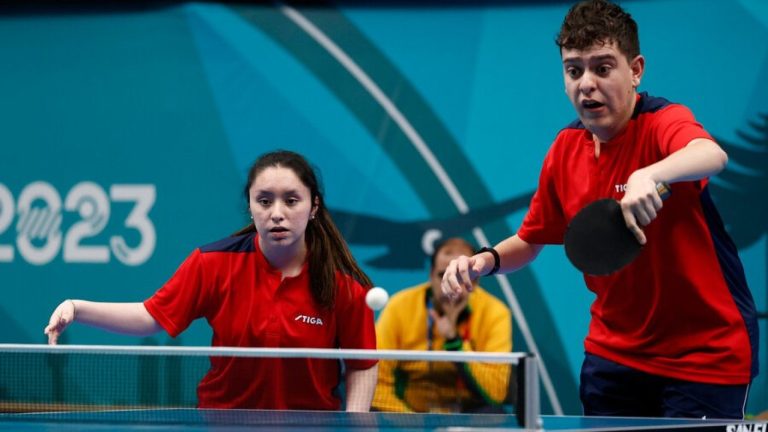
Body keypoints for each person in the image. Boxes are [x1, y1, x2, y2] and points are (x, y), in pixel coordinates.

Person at [442, 0, 758, 419]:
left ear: (636, 70)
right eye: (574, 70)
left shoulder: (663, 122)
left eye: (603, 68)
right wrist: (486, 260)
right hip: (615, 354)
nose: (586, 84)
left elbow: (709, 153)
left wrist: (652, 174)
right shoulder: (564, 149)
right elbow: (532, 238)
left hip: (704, 356)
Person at [44, 150, 378, 412]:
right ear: (250, 205)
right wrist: (77, 308)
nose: (277, 212)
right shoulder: (213, 264)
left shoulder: (344, 286)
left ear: (314, 206)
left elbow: (361, 365)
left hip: (311, 426)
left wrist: (355, 426)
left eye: (291, 200)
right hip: (224, 422)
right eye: (264, 200)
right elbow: (151, 316)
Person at [372, 238, 512, 413]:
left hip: (468, 417)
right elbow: (377, 385)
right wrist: (411, 424)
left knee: (494, 414)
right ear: (430, 275)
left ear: (475, 282)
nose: (450, 286)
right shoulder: (399, 306)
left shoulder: (495, 312)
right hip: (410, 416)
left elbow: (496, 393)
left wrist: (455, 342)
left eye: (461, 276)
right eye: (442, 275)